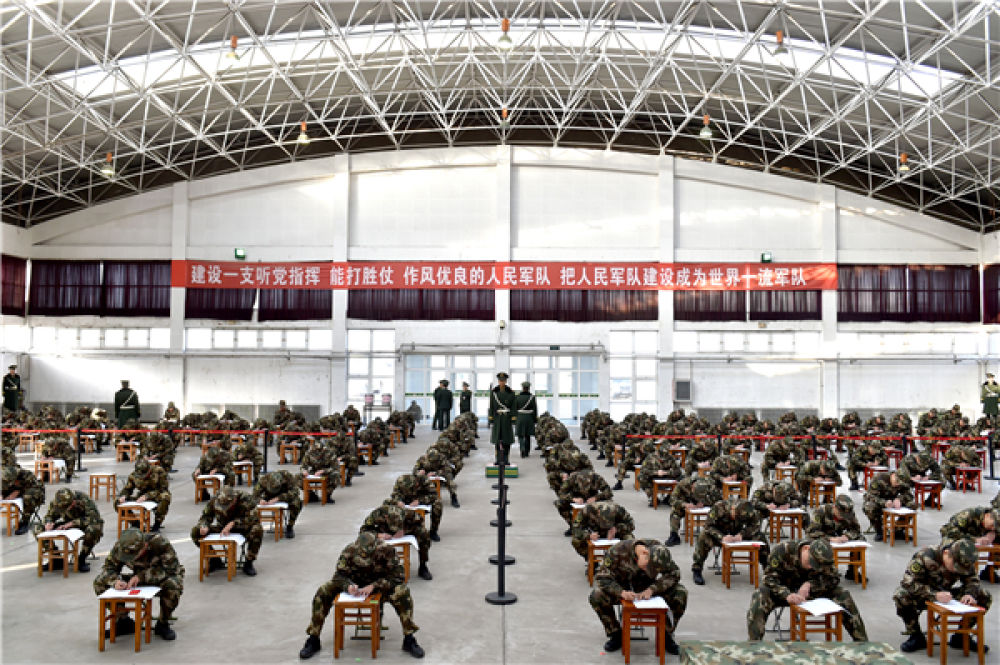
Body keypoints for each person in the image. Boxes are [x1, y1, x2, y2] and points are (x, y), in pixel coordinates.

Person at [298, 532, 425, 659]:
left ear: (376, 546)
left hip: (380, 587)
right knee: (323, 591)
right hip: (355, 586)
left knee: (403, 593)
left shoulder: (387, 551)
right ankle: (313, 638)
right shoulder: (349, 551)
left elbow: (398, 576)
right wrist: (347, 586)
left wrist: (374, 586)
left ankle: (409, 638)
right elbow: (338, 576)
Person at [746, 538, 867, 641]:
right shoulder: (783, 550)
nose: (811, 567)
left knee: (843, 595)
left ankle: (862, 643)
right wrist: (786, 594)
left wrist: (810, 585)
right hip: (783, 592)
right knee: (760, 595)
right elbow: (769, 578)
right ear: (806, 549)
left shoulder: (824, 557)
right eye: (810, 562)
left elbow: (833, 579)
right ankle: (754, 645)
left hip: (810, 594)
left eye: (815, 565)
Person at [893, 538, 992, 652]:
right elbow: (908, 583)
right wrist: (934, 595)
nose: (956, 570)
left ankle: (961, 636)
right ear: (946, 553)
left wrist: (969, 594)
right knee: (901, 595)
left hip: (947, 595)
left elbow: (972, 580)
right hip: (923, 595)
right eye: (955, 566)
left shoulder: (964, 559)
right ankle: (916, 636)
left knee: (984, 595)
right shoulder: (925, 555)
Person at [589, 540, 686, 655]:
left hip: (647, 588)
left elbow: (674, 573)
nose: (646, 570)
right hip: (622, 588)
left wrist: (653, 589)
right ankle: (615, 634)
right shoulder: (617, 551)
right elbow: (601, 577)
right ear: (644, 553)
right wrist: (620, 592)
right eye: (646, 567)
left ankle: (666, 634)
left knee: (680, 593)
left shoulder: (659, 552)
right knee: (596, 596)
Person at [93, 528, 184, 641]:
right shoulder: (121, 547)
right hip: (135, 580)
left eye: (133, 555)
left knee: (174, 584)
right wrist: (116, 581)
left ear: (144, 546)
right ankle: (123, 621)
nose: (130, 558)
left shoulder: (160, 543)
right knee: (99, 583)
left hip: (159, 578)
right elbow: (108, 568)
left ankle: (163, 623)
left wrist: (141, 577)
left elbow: (171, 569)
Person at [692, 498, 768, 586]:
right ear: (733, 509)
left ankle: (768, 570)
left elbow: (755, 525)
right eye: (736, 517)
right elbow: (708, 526)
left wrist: (742, 534)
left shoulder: (749, 510)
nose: (737, 519)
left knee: (760, 537)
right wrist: (722, 537)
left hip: (738, 534)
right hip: (720, 534)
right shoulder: (719, 507)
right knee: (703, 536)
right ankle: (697, 569)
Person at [190, 486, 262, 577]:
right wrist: (204, 526)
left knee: (257, 529)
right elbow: (205, 516)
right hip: (222, 527)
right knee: (196, 531)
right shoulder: (215, 500)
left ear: (234, 500)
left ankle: (249, 563)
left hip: (242, 528)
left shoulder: (246, 499)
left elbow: (254, 519)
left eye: (227, 505)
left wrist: (234, 523)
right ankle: (214, 560)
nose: (225, 508)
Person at [360, 498, 433, 581]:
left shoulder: (407, 513)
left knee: (424, 534)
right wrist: (378, 535)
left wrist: (403, 530)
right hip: (384, 530)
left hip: (404, 529)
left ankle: (423, 566)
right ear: (386, 517)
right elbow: (363, 531)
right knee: (366, 539)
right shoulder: (377, 514)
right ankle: (374, 568)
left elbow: (420, 521)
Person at [33, 487, 103, 572]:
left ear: (73, 502)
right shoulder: (57, 503)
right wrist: (49, 523)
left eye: (67, 507)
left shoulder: (83, 499)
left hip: (83, 524)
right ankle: (56, 559)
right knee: (38, 529)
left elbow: (94, 518)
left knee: (94, 529)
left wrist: (72, 523)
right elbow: (49, 516)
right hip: (66, 524)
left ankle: (81, 559)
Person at [570, 500, 635, 561]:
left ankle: (622, 562)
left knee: (630, 539)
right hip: (595, 533)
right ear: (597, 514)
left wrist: (617, 529)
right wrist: (588, 535)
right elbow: (575, 527)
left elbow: (631, 524)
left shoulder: (619, 510)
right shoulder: (587, 510)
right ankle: (591, 561)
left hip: (613, 533)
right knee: (576, 540)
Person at [117, 458, 171, 531]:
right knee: (117, 502)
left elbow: (163, 488)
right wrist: (123, 496)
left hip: (157, 495)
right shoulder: (133, 476)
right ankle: (136, 523)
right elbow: (127, 489)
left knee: (165, 497)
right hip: (141, 496)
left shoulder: (159, 471)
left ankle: (157, 524)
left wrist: (147, 496)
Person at [391, 471, 443, 542]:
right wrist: (398, 501)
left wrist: (420, 501)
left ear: (417, 483)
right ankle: (402, 529)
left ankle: (433, 531)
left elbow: (434, 495)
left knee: (438, 504)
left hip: (422, 501)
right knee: (389, 505)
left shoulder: (425, 480)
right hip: (406, 502)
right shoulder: (400, 481)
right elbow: (394, 495)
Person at [253, 470, 302, 539]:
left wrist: (279, 498)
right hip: (269, 496)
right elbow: (254, 495)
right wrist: (260, 500)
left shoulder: (287, 476)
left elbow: (295, 491)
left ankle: (290, 526)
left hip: (285, 496)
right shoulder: (263, 480)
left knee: (297, 502)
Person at [2, 464, 45, 535]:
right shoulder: (6, 475)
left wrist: (18, 491)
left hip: (35, 492)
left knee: (28, 497)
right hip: (19, 492)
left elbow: (34, 487)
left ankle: (25, 521)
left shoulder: (27, 475)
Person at [489, 372, 517, 465]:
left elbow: (513, 406)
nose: (502, 382)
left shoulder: (511, 393)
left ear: (506, 381)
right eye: (500, 381)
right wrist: (491, 417)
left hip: (506, 419)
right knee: (497, 440)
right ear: (498, 381)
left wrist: (513, 418)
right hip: (497, 419)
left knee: (507, 440)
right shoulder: (494, 392)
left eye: (503, 381)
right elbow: (491, 406)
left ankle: (506, 459)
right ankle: (498, 459)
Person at [514, 381, 538, 459]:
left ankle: (522, 449)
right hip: (529, 418)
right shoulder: (532, 397)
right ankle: (527, 452)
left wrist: (514, 419)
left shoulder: (517, 397)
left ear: (522, 388)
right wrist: (535, 420)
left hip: (520, 417)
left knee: (520, 435)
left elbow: (514, 409)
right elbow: (535, 410)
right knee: (527, 435)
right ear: (528, 388)